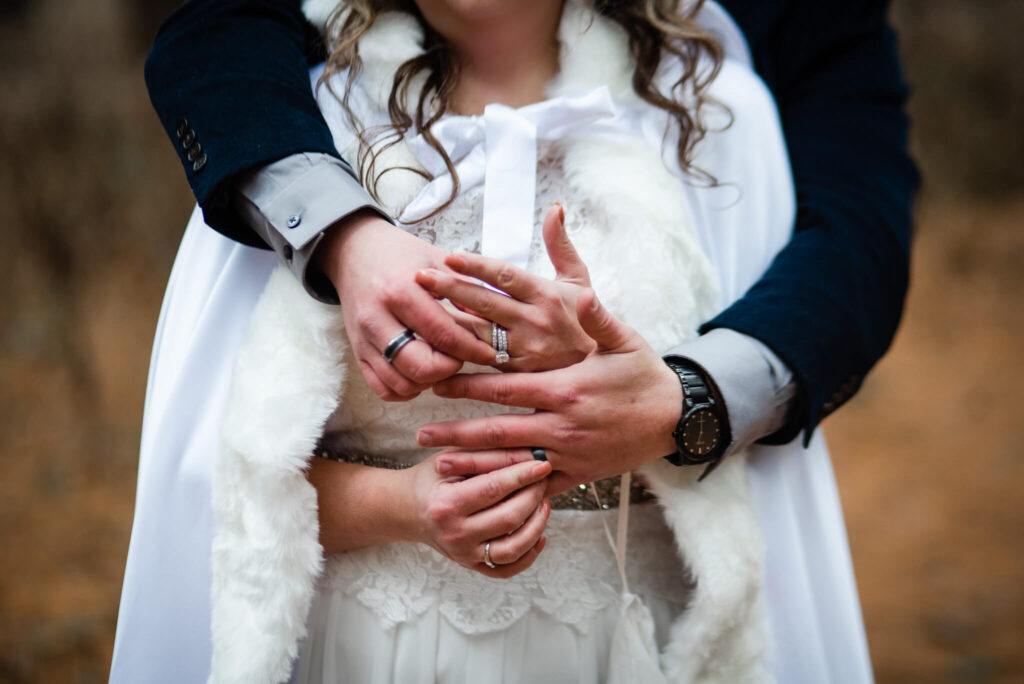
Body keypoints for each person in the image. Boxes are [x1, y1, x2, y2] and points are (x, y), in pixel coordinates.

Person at [110, 0, 918, 682]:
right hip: (372, 645)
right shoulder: (299, 124)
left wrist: (680, 399)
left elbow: (851, 245)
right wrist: (404, 502)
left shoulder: (715, 120)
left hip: (632, 638)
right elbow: (227, 473)